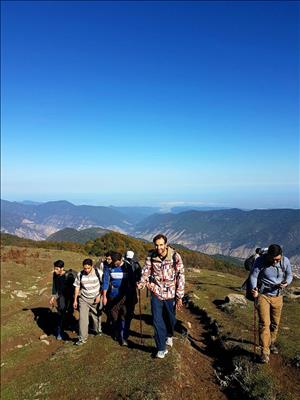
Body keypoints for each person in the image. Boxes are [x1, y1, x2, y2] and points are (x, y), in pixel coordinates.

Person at [137, 234, 185, 359]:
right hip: (156, 292)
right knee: (157, 320)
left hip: (171, 293)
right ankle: (161, 348)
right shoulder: (151, 256)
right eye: (156, 245)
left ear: (166, 244)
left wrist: (179, 296)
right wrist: (142, 283)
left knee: (170, 319)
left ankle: (169, 334)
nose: (159, 247)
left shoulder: (175, 256)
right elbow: (146, 271)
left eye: (161, 245)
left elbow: (180, 276)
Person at [250, 244, 293, 363]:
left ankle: (271, 342)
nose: (275, 262)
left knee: (275, 323)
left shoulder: (285, 261)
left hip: (278, 296)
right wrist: (254, 289)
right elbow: (254, 276)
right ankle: (264, 352)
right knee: (264, 323)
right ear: (268, 255)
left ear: (281, 256)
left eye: (277, 259)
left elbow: (289, 275)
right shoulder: (260, 261)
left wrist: (286, 283)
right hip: (263, 295)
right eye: (273, 259)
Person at [102, 251, 137, 346]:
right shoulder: (109, 267)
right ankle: (117, 331)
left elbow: (133, 281)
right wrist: (104, 296)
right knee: (114, 315)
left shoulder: (127, 267)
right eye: (113, 262)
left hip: (126, 295)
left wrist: (134, 292)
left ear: (121, 259)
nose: (115, 264)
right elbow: (105, 281)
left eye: (116, 262)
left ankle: (123, 337)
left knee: (125, 315)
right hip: (113, 295)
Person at [73, 258, 103, 346]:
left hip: (95, 298)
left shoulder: (99, 273)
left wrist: (99, 296)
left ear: (92, 266)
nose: (86, 270)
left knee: (96, 316)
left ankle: (97, 329)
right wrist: (75, 300)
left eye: (88, 268)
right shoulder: (80, 274)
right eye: (85, 268)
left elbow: (104, 285)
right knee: (82, 319)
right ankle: (82, 338)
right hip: (83, 299)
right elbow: (77, 287)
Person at [50, 260, 76, 340]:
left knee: (70, 311)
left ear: (62, 268)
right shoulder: (55, 274)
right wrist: (53, 297)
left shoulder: (69, 276)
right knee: (61, 313)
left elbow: (74, 287)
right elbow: (54, 286)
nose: (55, 270)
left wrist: (74, 298)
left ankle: (71, 325)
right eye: (55, 268)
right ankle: (59, 332)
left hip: (70, 296)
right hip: (61, 296)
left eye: (57, 269)